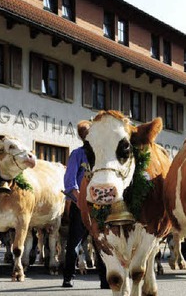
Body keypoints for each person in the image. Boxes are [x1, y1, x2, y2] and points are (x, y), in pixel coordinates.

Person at [62, 121, 109, 289]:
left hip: (100, 205)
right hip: (81, 206)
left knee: (101, 243)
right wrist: (81, 202)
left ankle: (105, 280)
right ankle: (68, 277)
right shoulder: (77, 154)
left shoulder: (102, 155)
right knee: (74, 242)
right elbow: (69, 182)